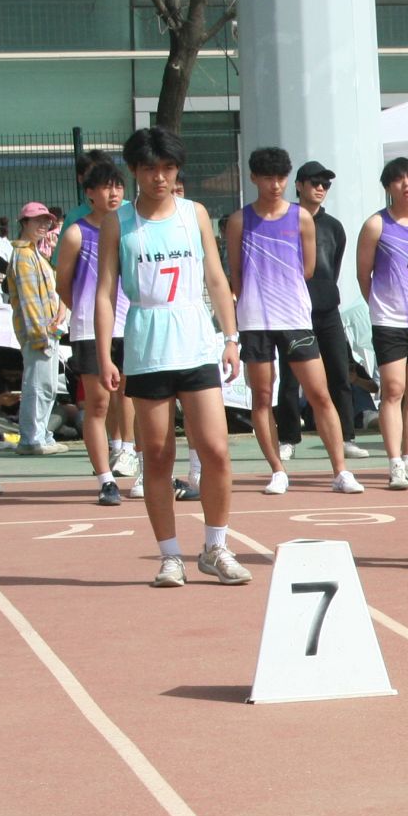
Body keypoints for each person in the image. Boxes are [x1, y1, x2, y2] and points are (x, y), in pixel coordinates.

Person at [91, 127, 250, 586]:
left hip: (197, 342)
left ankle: (216, 546)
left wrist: (231, 336)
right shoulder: (117, 223)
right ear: (135, 172)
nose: (158, 177)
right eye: (148, 169)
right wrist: (105, 354)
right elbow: (104, 293)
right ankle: (170, 555)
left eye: (167, 168)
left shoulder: (194, 214)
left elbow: (217, 279)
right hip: (146, 346)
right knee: (157, 455)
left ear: (177, 170)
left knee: (216, 450)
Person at [225, 147, 361, 496]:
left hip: (295, 317)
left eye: (281, 178)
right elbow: (235, 276)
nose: (275, 185)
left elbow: (309, 268)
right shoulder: (239, 221)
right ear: (253, 178)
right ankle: (277, 470)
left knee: (320, 393)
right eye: (268, 177)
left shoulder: (301, 218)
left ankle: (340, 471)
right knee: (263, 396)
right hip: (255, 320)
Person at [57, 159, 139, 503]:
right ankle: (105, 479)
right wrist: (86, 314)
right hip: (90, 329)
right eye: (106, 186)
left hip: (131, 324)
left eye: (118, 185)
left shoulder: (130, 229)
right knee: (99, 402)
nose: (114, 192)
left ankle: (131, 454)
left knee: (132, 395)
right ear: (89, 193)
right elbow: (63, 284)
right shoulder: (77, 233)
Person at [355, 157, 408, 491]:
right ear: (389, 187)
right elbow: (364, 274)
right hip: (388, 320)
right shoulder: (376, 224)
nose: (407, 185)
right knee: (394, 389)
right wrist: (380, 305)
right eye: (399, 180)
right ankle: (394, 464)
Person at [293, 160, 366, 465]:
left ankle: (346, 436)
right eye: (314, 183)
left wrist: (322, 293)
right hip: (293, 310)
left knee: (339, 372)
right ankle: (288, 438)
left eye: (326, 184)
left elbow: (332, 266)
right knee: (288, 376)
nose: (320, 188)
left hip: (327, 308)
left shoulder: (334, 226)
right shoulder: (286, 220)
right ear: (299, 185)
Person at [7, 203, 67, 455]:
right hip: (39, 333)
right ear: (24, 223)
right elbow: (29, 299)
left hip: (47, 330)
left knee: (46, 384)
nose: (43, 225)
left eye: (46, 221)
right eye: (37, 221)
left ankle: (40, 435)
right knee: (38, 385)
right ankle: (32, 438)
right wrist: (40, 334)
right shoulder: (23, 255)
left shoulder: (34, 253)